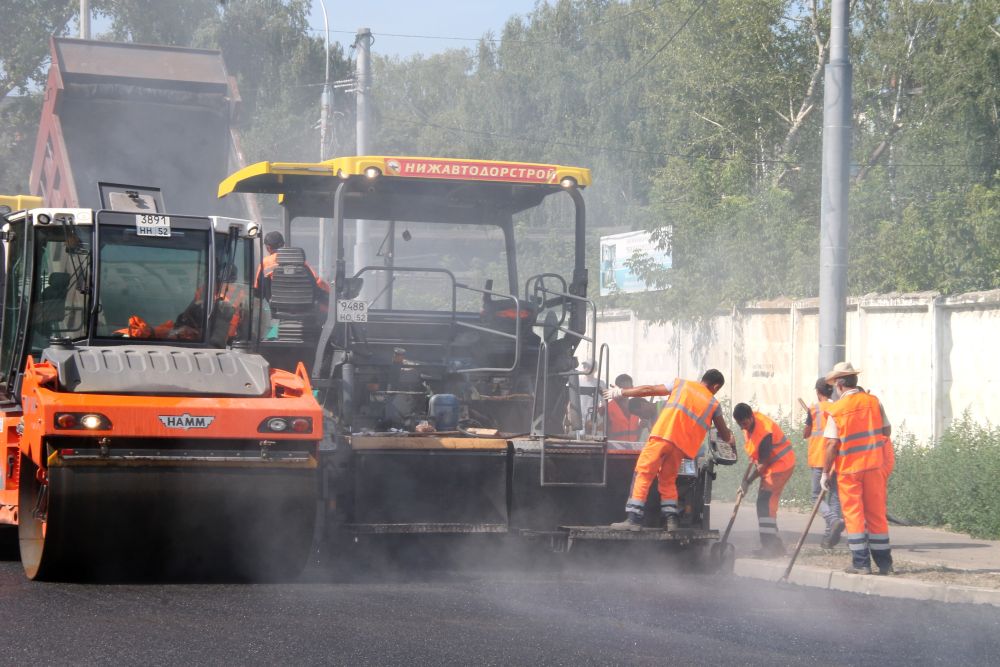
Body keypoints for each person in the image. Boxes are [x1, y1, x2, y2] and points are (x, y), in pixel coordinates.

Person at [603, 369, 735, 531]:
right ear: (715, 386)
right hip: (680, 447)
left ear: (704, 379)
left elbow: (648, 390)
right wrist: (730, 439)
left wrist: (621, 392)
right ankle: (671, 520)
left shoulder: (681, 384)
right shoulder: (714, 404)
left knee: (643, 473)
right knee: (668, 480)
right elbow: (723, 432)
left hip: (662, 436)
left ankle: (633, 519)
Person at [821, 361, 894, 575]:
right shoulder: (873, 401)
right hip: (874, 466)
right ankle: (884, 564)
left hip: (849, 470)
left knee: (853, 515)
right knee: (876, 514)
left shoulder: (837, 409)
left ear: (840, 385)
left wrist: (825, 473)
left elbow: (832, 444)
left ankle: (861, 563)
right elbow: (886, 431)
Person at [733, 403, 796, 557]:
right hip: (772, 465)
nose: (743, 428)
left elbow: (763, 464)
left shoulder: (765, 432)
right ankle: (776, 546)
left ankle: (770, 548)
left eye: (745, 424)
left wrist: (747, 482)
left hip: (780, 465)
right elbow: (755, 452)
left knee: (764, 503)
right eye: (740, 425)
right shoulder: (748, 423)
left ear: (751, 417)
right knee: (767, 505)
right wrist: (745, 480)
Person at [804, 377, 845, 548]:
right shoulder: (837, 407)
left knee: (816, 496)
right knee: (834, 496)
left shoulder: (813, 409)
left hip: (818, 457)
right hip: (835, 458)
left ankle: (832, 519)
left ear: (818, 391)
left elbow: (806, 433)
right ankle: (830, 537)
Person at [255, 230, 330, 297]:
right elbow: (317, 282)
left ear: (268, 248)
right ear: (283, 245)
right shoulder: (298, 259)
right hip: (304, 306)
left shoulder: (265, 263)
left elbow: (258, 292)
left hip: (277, 307)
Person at [606, 373, 642, 442]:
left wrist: (642, 427)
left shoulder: (636, 407)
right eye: (622, 389)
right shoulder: (607, 408)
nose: (625, 392)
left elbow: (637, 433)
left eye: (627, 389)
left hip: (633, 451)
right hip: (613, 451)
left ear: (632, 388)